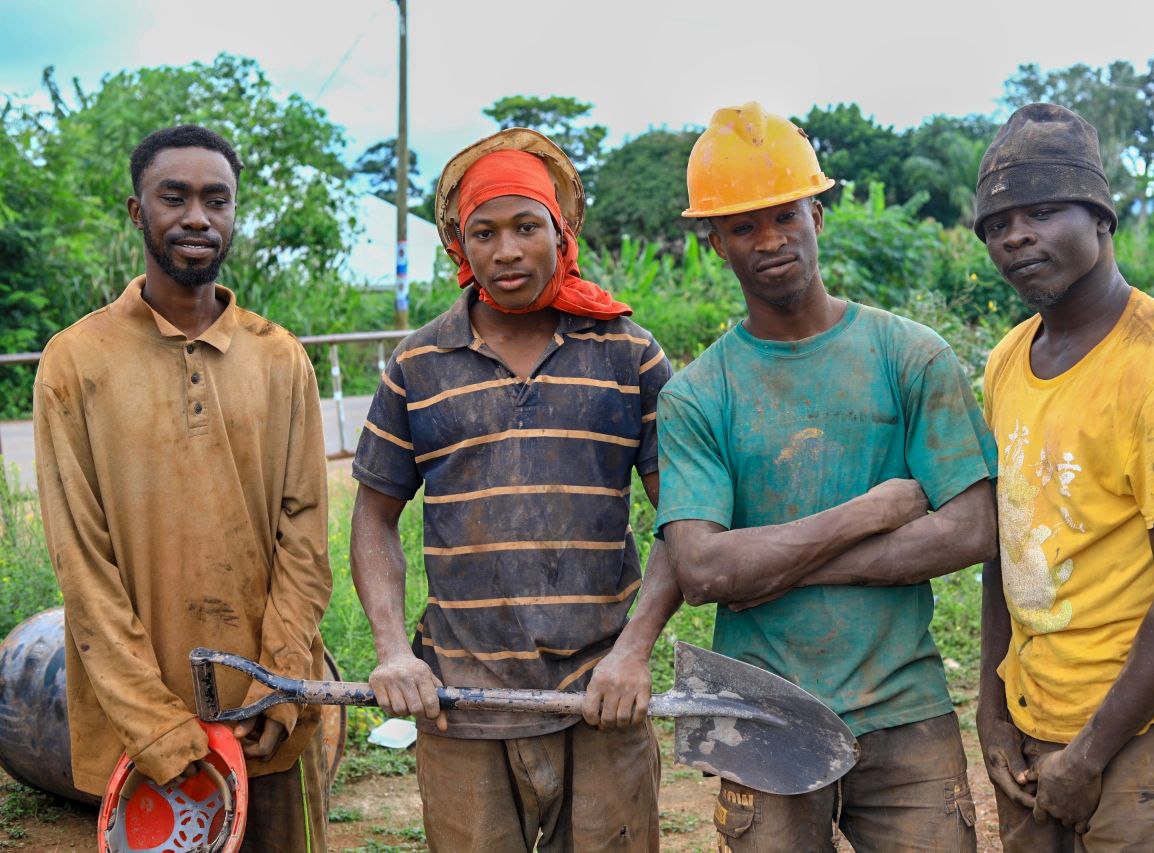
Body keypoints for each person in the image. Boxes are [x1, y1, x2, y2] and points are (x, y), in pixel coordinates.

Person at [657, 102, 998, 852]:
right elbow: (706, 568)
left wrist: (777, 566)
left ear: (818, 212)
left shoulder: (909, 355)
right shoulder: (696, 393)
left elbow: (973, 526)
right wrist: (871, 510)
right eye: (743, 226)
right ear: (714, 242)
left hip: (902, 705)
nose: (770, 240)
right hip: (758, 714)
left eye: (784, 215)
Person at [349, 128, 682, 852]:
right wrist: (390, 650)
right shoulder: (417, 366)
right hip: (461, 702)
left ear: (560, 233)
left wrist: (635, 650)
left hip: (602, 703)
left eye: (526, 226)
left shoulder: (629, 354)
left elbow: (684, 521)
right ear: (459, 247)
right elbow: (373, 520)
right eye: (484, 231)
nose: (506, 251)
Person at [34, 124, 332, 850]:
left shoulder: (279, 356)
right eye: (175, 196)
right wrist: (155, 723)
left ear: (233, 214)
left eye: (216, 199)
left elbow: (306, 534)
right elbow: (84, 568)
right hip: (142, 739)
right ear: (138, 212)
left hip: (270, 723)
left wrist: (281, 680)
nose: (197, 216)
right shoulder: (76, 362)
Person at [974, 103, 1154, 851]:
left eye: (1043, 210)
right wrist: (992, 705)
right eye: (996, 224)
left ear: (1101, 218)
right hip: (1030, 730)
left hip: (1147, 734)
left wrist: (1090, 753)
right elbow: (1008, 545)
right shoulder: (1007, 359)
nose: (1015, 235)